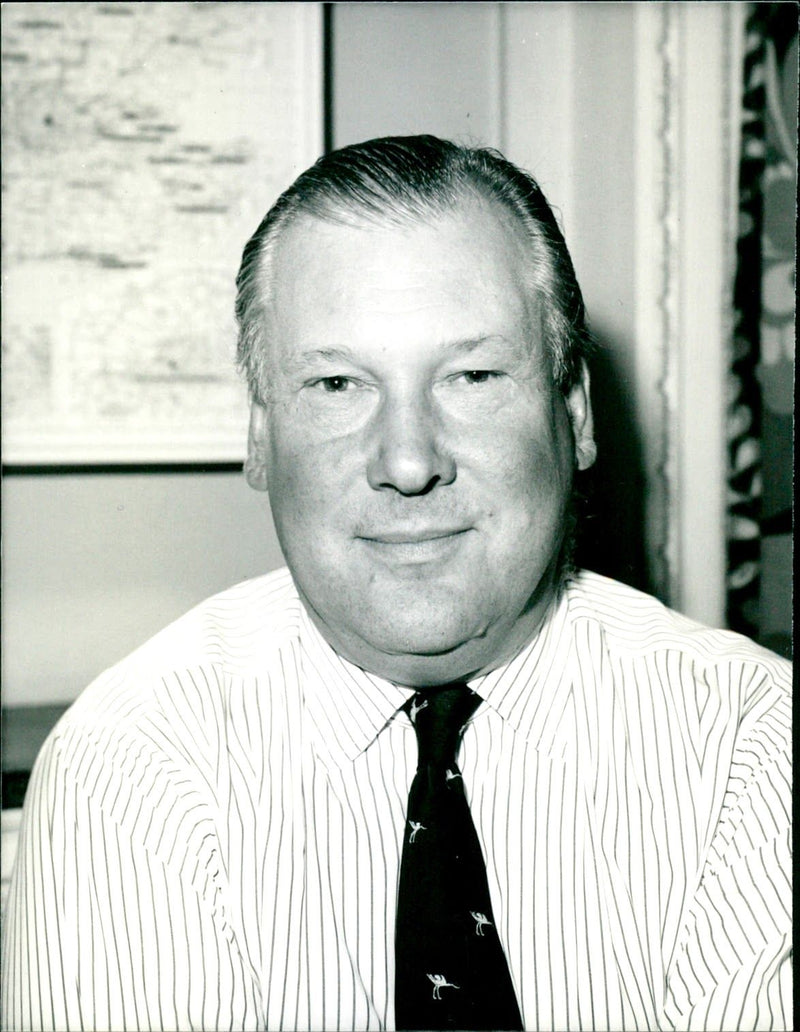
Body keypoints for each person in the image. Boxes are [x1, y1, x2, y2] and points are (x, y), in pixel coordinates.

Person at [1, 136, 791, 1032]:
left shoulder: (752, 748)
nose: (409, 461)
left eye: (474, 376)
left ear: (573, 415)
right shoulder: (133, 769)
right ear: (261, 436)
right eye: (337, 384)